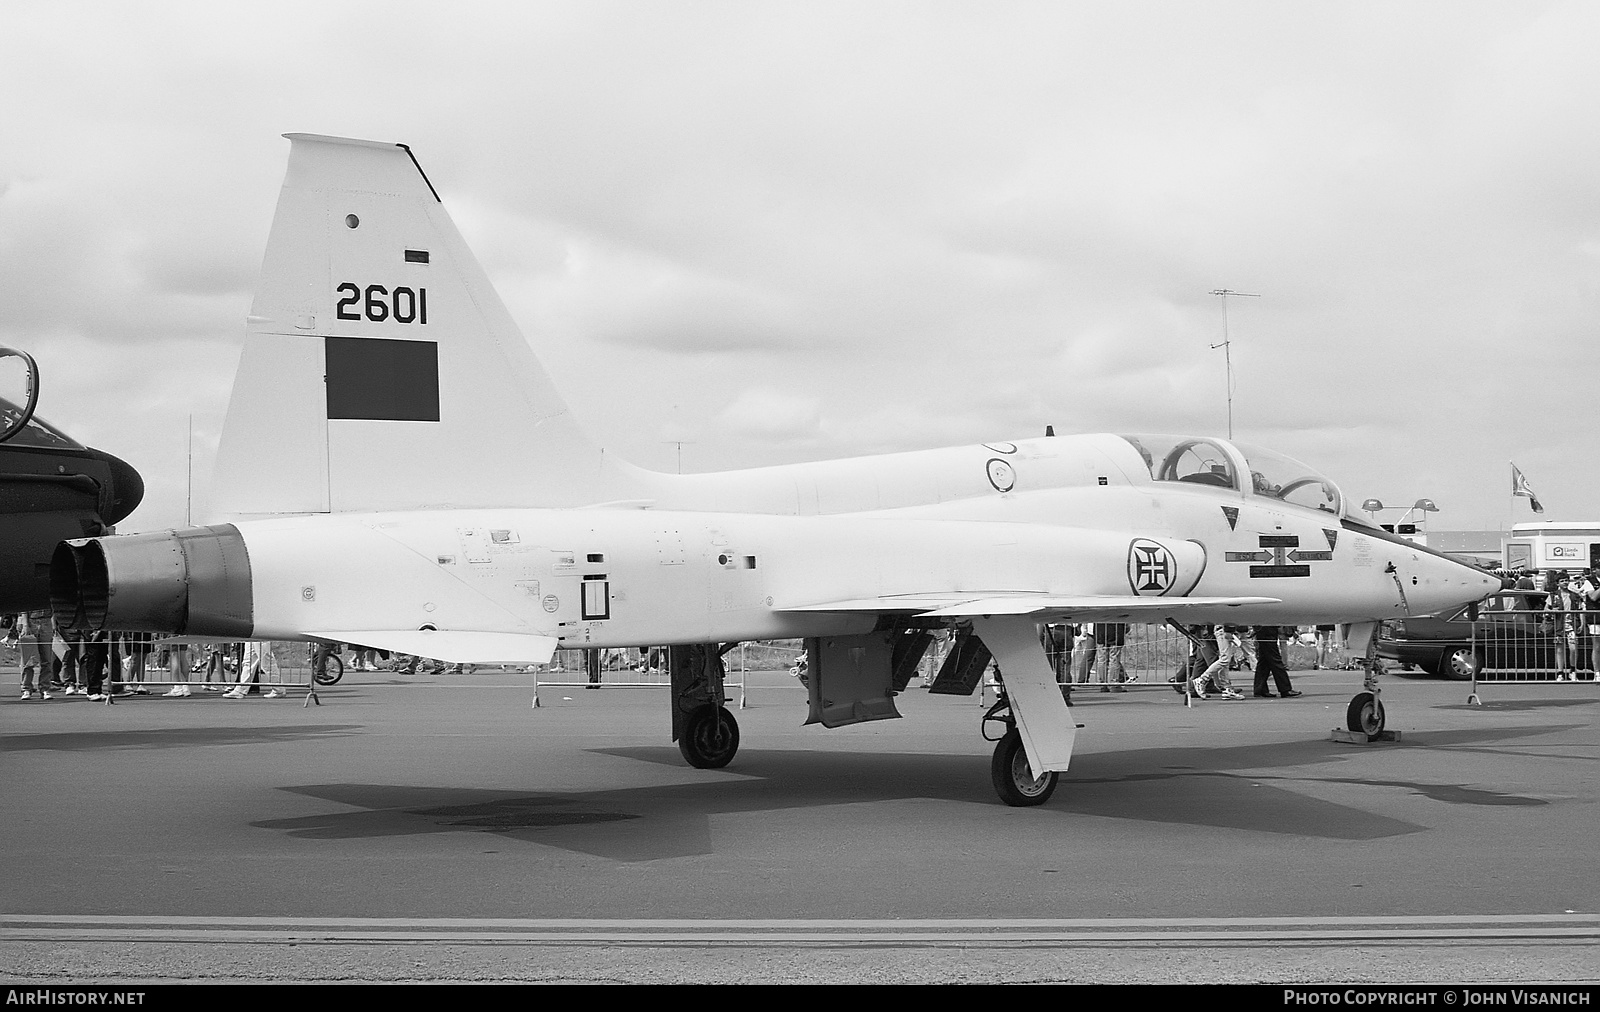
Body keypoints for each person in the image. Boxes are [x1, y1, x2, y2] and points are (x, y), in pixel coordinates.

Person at [1191, 624, 1245, 699]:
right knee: (1224, 659)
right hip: (1223, 630)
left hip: (1224, 630)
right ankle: (1202, 679)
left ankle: (1227, 689)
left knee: (1224, 660)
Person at [1252, 626, 1302, 698]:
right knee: (1275, 660)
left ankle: (1260, 689)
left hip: (1265, 628)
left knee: (1264, 661)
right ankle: (1285, 689)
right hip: (1267, 628)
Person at [16, 609, 54, 700]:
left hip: (46, 621)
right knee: (28, 658)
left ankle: (45, 688)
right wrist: (25, 624)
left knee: (47, 658)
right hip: (30, 620)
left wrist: (53, 624)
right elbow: (24, 607)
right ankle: (26, 688)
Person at [1094, 622, 1130, 692]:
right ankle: (1114, 684)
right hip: (1116, 631)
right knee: (1114, 659)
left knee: (1101, 659)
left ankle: (1103, 684)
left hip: (1100, 631)